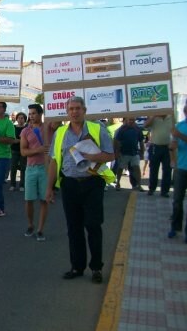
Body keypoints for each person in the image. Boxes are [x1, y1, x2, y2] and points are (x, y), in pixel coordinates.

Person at [46, 96, 115, 284]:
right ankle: (77, 266)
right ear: (67, 112)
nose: (74, 112)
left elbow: (110, 154)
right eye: (71, 109)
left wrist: (91, 155)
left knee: (93, 225)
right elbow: (53, 160)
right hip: (69, 184)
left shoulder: (97, 129)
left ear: (84, 110)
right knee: (73, 228)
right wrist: (49, 188)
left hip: (92, 183)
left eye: (78, 108)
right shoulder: (60, 132)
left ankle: (96, 268)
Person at [20, 104, 49, 242]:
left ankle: (40, 229)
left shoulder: (48, 128)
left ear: (40, 113)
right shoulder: (25, 131)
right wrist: (38, 150)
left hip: (45, 168)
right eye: (29, 113)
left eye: (33, 113)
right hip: (31, 168)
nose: (31, 116)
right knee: (29, 199)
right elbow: (23, 151)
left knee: (44, 200)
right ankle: (31, 224)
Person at [168, 104, 187, 242]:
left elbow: (179, 137)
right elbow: (173, 145)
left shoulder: (179, 130)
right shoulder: (179, 125)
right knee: (177, 201)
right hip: (181, 168)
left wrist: (179, 135)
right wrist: (172, 154)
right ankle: (175, 227)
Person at [113, 118, 145, 192]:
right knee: (120, 168)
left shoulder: (138, 129)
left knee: (136, 168)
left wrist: (142, 152)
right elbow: (116, 141)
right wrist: (117, 152)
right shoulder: (122, 130)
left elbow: (141, 142)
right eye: (129, 120)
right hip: (123, 153)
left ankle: (139, 185)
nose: (131, 121)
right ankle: (118, 183)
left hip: (134, 153)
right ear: (126, 121)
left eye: (132, 120)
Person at [144, 114, 173, 197]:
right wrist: (153, 116)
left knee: (167, 170)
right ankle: (152, 188)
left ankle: (165, 191)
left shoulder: (171, 117)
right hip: (155, 147)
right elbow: (145, 125)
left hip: (168, 147)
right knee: (153, 169)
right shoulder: (153, 117)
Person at [10, 112, 27, 191]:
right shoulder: (13, 127)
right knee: (13, 167)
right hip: (14, 149)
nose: (20, 119)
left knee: (23, 168)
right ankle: (12, 184)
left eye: (22, 118)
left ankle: (22, 185)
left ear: (25, 119)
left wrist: (20, 140)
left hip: (24, 150)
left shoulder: (26, 128)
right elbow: (11, 138)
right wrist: (16, 140)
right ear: (16, 119)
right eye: (19, 118)